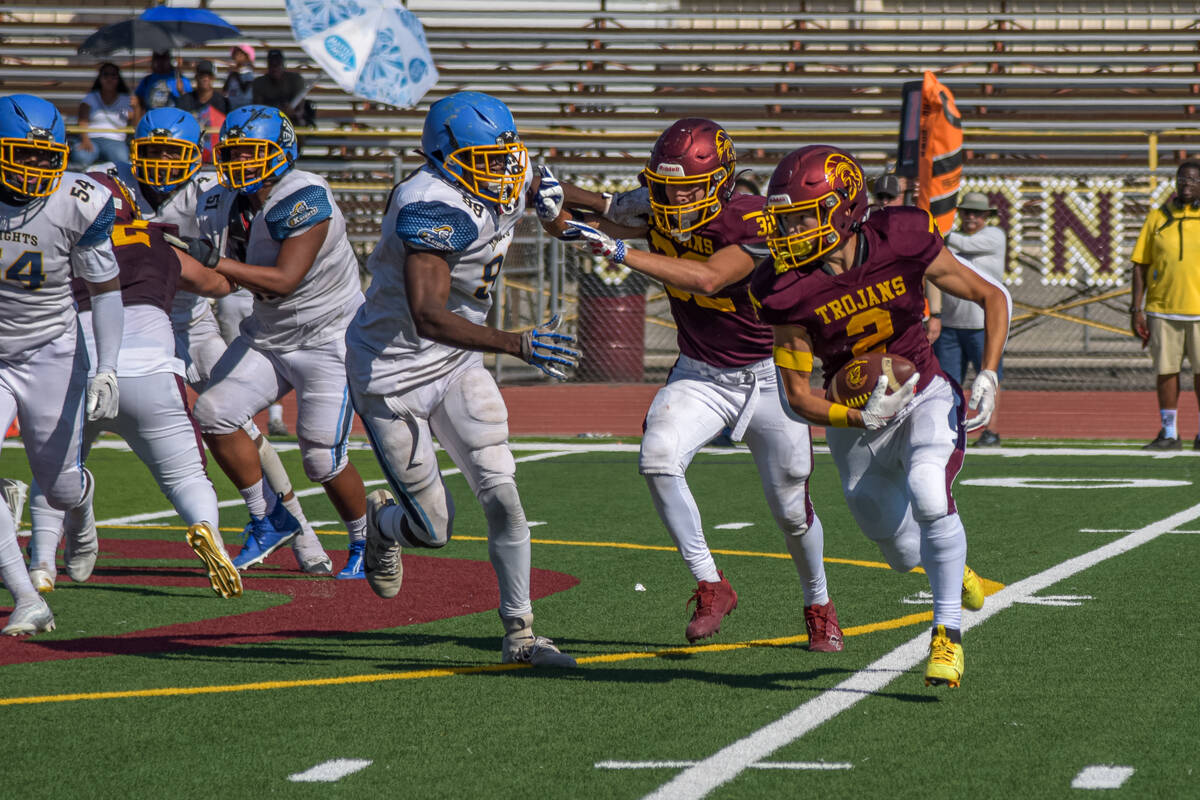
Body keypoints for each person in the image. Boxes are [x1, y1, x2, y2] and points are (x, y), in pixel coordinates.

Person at [554, 118, 843, 650]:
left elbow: (710, 276)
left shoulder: (755, 219)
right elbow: (597, 211)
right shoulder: (656, 203)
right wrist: (546, 195)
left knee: (791, 513)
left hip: (771, 375)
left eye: (689, 186)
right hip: (701, 372)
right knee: (658, 457)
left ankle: (818, 602)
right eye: (667, 187)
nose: (676, 198)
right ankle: (712, 584)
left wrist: (616, 250)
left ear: (723, 180)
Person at [749, 145, 1010, 688]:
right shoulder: (783, 287)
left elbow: (990, 295)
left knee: (929, 491)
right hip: (854, 416)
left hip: (923, 392)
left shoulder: (903, 236)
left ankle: (947, 635)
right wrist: (857, 417)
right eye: (785, 218)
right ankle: (953, 568)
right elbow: (798, 396)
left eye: (802, 215)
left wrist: (987, 372)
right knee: (899, 548)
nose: (790, 230)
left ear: (844, 209)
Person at [344, 91, 580, 667]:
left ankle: (520, 634)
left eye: (505, 157)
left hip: (455, 366)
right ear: (444, 158)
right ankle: (382, 523)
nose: (502, 171)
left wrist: (618, 207)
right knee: (434, 529)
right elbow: (428, 315)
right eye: (485, 161)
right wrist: (515, 342)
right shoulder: (429, 204)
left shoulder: (504, 165)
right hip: (392, 374)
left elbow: (562, 196)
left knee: (505, 498)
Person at [126, 107, 332, 575]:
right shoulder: (111, 186)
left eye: (171, 152)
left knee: (236, 422)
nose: (160, 162)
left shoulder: (213, 193)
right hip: (133, 326)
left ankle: (300, 531)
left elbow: (228, 278)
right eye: (152, 151)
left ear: (195, 153)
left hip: (192, 323)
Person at [25, 171, 242, 599]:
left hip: (78, 369)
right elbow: (218, 284)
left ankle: (42, 564)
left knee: (54, 472)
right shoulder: (156, 240)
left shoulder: (53, 238)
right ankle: (206, 527)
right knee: (185, 476)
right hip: (152, 371)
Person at [190, 104, 368, 578]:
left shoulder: (304, 195)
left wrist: (211, 261)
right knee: (212, 412)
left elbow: (284, 279)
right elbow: (223, 281)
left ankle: (366, 538)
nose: (241, 162)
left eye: (252, 152)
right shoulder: (221, 201)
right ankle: (269, 516)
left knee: (321, 459)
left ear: (282, 152)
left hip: (328, 338)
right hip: (269, 334)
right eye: (234, 152)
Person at [0, 94, 126, 635]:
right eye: (20, 156)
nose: (33, 169)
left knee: (60, 488)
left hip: (51, 348)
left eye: (43, 157)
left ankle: (82, 498)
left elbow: (105, 288)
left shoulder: (79, 198)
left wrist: (108, 367)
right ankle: (28, 598)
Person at [1130, 160, 1200, 450]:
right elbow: (1140, 265)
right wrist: (1136, 308)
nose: (1186, 185)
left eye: (1193, 180)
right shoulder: (1157, 217)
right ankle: (1169, 433)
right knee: (1166, 372)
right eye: (1182, 179)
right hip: (1162, 310)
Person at [938, 191, 1007, 446]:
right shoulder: (951, 240)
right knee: (947, 383)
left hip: (982, 325)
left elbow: (965, 245)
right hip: (950, 324)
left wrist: (934, 230)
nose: (971, 217)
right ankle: (950, 430)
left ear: (987, 216)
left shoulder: (994, 236)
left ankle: (991, 431)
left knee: (988, 376)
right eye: (966, 212)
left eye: (977, 213)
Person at [69, 63, 133, 171]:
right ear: (100, 78)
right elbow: (82, 121)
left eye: (113, 75)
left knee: (122, 161)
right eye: (105, 75)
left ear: (118, 78)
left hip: (116, 140)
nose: (109, 78)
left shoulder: (127, 100)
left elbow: (135, 124)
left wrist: (137, 107)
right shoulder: (90, 98)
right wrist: (85, 140)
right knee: (81, 157)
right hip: (92, 138)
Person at [252, 50, 307, 125]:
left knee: (301, 123)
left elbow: (300, 108)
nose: (275, 68)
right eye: (272, 64)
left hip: (292, 119)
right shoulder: (259, 82)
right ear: (268, 66)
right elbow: (258, 107)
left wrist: (293, 112)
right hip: (268, 119)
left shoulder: (295, 79)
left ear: (283, 65)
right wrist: (280, 110)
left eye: (278, 64)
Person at [223, 44, 256, 110]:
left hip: (245, 107)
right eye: (236, 54)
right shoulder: (232, 72)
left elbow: (245, 89)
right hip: (232, 105)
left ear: (246, 57)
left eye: (240, 54)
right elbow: (225, 89)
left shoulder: (248, 72)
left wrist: (237, 75)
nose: (237, 56)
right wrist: (231, 76)